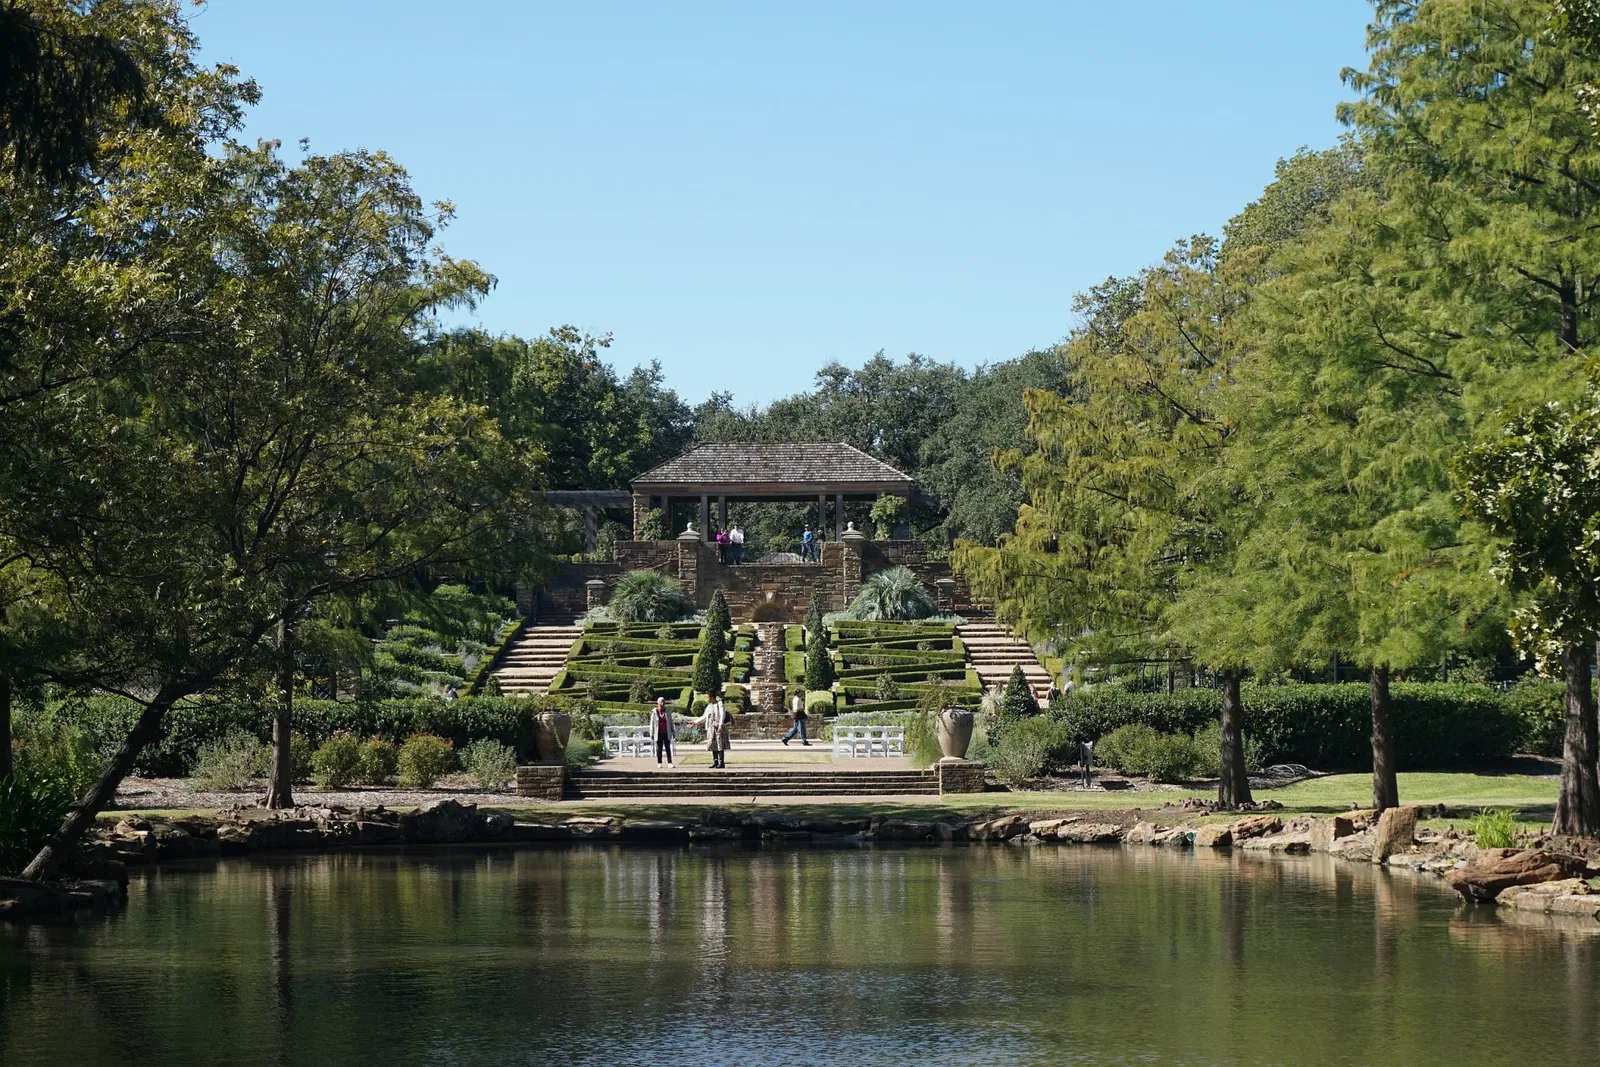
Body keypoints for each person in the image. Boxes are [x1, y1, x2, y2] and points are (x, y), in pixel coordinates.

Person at [696, 689, 731, 768]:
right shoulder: (709, 706)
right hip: (711, 728)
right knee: (713, 744)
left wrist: (720, 725)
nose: (706, 699)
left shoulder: (719, 704)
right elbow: (704, 717)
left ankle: (721, 762)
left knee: (719, 744)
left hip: (718, 727)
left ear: (711, 697)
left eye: (707, 697)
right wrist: (695, 722)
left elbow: (722, 715)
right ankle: (715, 761)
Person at [649, 696, 675, 768]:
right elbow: (652, 723)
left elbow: (671, 722)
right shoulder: (654, 712)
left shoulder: (668, 711)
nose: (663, 703)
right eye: (661, 701)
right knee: (659, 748)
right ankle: (659, 762)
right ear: (658, 703)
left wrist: (673, 731)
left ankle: (670, 762)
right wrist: (651, 733)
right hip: (658, 732)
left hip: (666, 732)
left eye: (664, 701)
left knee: (668, 748)